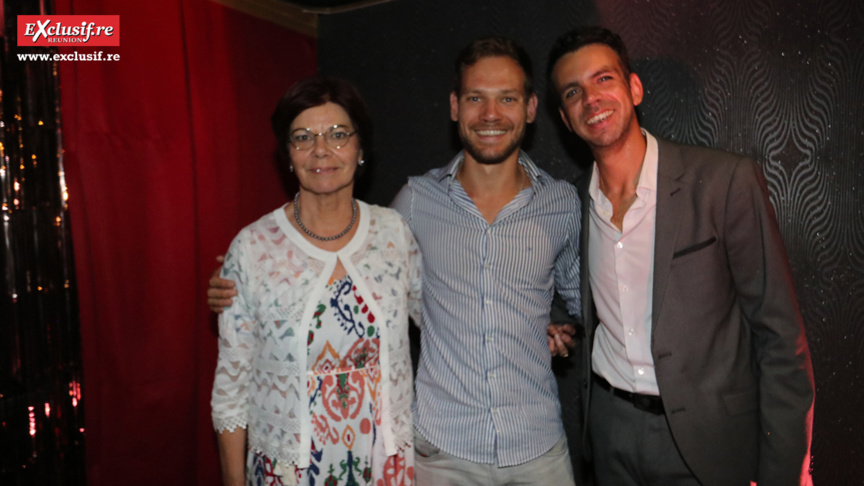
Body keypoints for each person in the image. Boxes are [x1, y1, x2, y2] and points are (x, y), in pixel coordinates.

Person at [546, 26, 815, 486]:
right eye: (574, 91)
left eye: (603, 79)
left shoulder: (724, 183)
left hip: (707, 442)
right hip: (610, 436)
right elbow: (575, 295)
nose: (591, 98)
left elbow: (781, 341)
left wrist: (783, 474)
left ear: (633, 88)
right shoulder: (572, 206)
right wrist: (553, 316)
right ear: (565, 117)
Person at [210, 77, 422, 486]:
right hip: (286, 472)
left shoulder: (394, 232)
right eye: (303, 137)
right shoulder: (253, 248)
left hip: (385, 467)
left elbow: (443, 320)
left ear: (361, 148)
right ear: (288, 154)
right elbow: (231, 389)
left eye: (338, 135)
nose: (321, 150)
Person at [391, 37, 581, 485]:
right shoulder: (416, 200)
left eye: (507, 99)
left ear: (531, 108)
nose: (491, 115)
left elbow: (584, 299)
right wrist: (259, 273)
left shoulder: (562, 203)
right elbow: (356, 276)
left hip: (538, 449)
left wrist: (560, 321)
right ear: (455, 106)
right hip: (444, 451)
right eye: (476, 98)